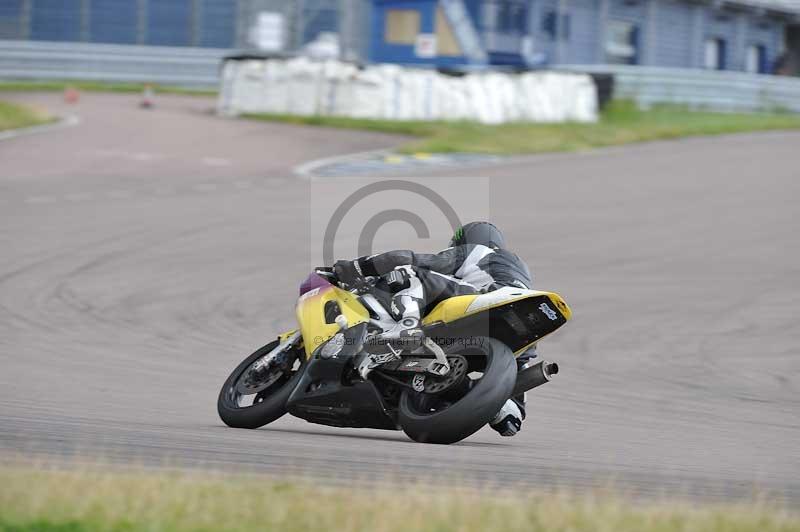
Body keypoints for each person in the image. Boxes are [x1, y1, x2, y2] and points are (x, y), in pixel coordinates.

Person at [333, 221, 534, 437]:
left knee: (408, 272)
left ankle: (407, 325)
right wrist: (509, 408)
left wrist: (355, 267)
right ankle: (495, 405)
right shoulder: (517, 276)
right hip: (514, 325)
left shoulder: (479, 252)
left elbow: (404, 259)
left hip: (482, 299)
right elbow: (516, 371)